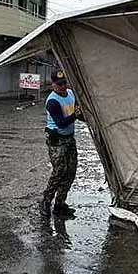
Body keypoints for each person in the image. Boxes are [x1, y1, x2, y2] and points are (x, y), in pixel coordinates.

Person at [40, 68, 83, 219]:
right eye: (59, 84)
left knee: (70, 171)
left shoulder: (70, 94)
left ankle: (60, 204)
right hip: (56, 139)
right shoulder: (52, 101)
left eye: (64, 83)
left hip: (69, 138)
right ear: (53, 84)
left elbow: (78, 113)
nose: (62, 86)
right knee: (59, 171)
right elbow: (61, 123)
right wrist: (76, 115)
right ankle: (46, 201)